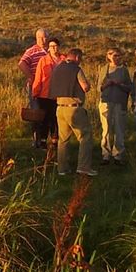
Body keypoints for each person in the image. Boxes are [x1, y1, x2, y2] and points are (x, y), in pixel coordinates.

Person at [50, 48, 95, 177]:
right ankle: (84, 167)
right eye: (80, 58)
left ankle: (62, 169)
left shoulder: (57, 68)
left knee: (63, 139)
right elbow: (85, 87)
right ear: (77, 57)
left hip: (59, 107)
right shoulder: (76, 69)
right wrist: (88, 84)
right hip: (74, 107)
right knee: (85, 136)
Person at [96, 48, 132, 166]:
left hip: (119, 102)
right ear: (109, 56)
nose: (117, 58)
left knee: (119, 130)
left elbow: (129, 88)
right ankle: (105, 154)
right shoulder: (104, 69)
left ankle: (118, 155)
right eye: (115, 55)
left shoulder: (124, 70)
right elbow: (98, 88)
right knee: (106, 130)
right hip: (106, 102)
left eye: (119, 56)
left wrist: (119, 84)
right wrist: (107, 84)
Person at [31, 38, 62, 149]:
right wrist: (35, 92)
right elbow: (38, 77)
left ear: (59, 47)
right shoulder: (43, 60)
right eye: (51, 46)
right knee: (44, 119)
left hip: (59, 95)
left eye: (55, 46)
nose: (53, 48)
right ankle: (43, 141)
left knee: (56, 119)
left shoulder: (64, 60)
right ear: (48, 48)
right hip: (45, 95)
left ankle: (55, 141)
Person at [17, 28, 49, 95]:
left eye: (44, 38)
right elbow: (21, 63)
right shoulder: (32, 51)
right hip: (36, 84)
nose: (41, 40)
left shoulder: (51, 50)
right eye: (39, 38)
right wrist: (31, 77)